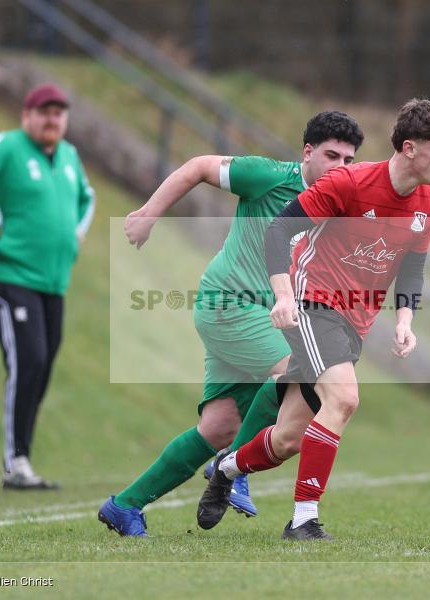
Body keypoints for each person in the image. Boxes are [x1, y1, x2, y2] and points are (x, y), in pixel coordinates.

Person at [197, 98, 430, 540]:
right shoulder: (350, 182)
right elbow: (279, 230)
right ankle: (303, 520)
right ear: (410, 148)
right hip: (313, 303)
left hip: (354, 323)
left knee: (287, 439)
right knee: (344, 399)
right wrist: (282, 296)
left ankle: (226, 467)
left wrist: (404, 321)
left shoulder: (429, 203)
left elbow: (413, 267)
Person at [98, 111, 364, 537]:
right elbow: (199, 166)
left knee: (219, 426)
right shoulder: (269, 176)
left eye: (348, 160)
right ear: (308, 152)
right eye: (331, 155)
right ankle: (233, 472)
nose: (340, 167)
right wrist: (150, 212)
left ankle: (125, 505)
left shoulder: (341, 201)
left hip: (266, 317)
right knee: (296, 373)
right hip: (230, 305)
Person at [0, 83, 96, 489]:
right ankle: (15, 464)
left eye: (59, 113)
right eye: (44, 112)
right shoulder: (7, 146)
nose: (52, 119)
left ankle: (22, 458)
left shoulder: (69, 156)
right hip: (7, 273)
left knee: (43, 364)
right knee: (28, 359)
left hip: (53, 280)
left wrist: (77, 231)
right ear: (26, 115)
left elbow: (89, 197)